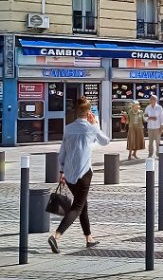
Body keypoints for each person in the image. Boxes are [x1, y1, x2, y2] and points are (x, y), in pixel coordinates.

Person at [49, 97, 110, 254]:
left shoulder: (68, 128)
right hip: (84, 174)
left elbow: (62, 152)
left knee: (83, 205)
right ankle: (56, 236)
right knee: (77, 207)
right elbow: (106, 141)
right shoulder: (91, 128)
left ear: (76, 110)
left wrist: (61, 171)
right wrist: (95, 123)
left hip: (69, 174)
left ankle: (89, 238)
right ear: (89, 111)